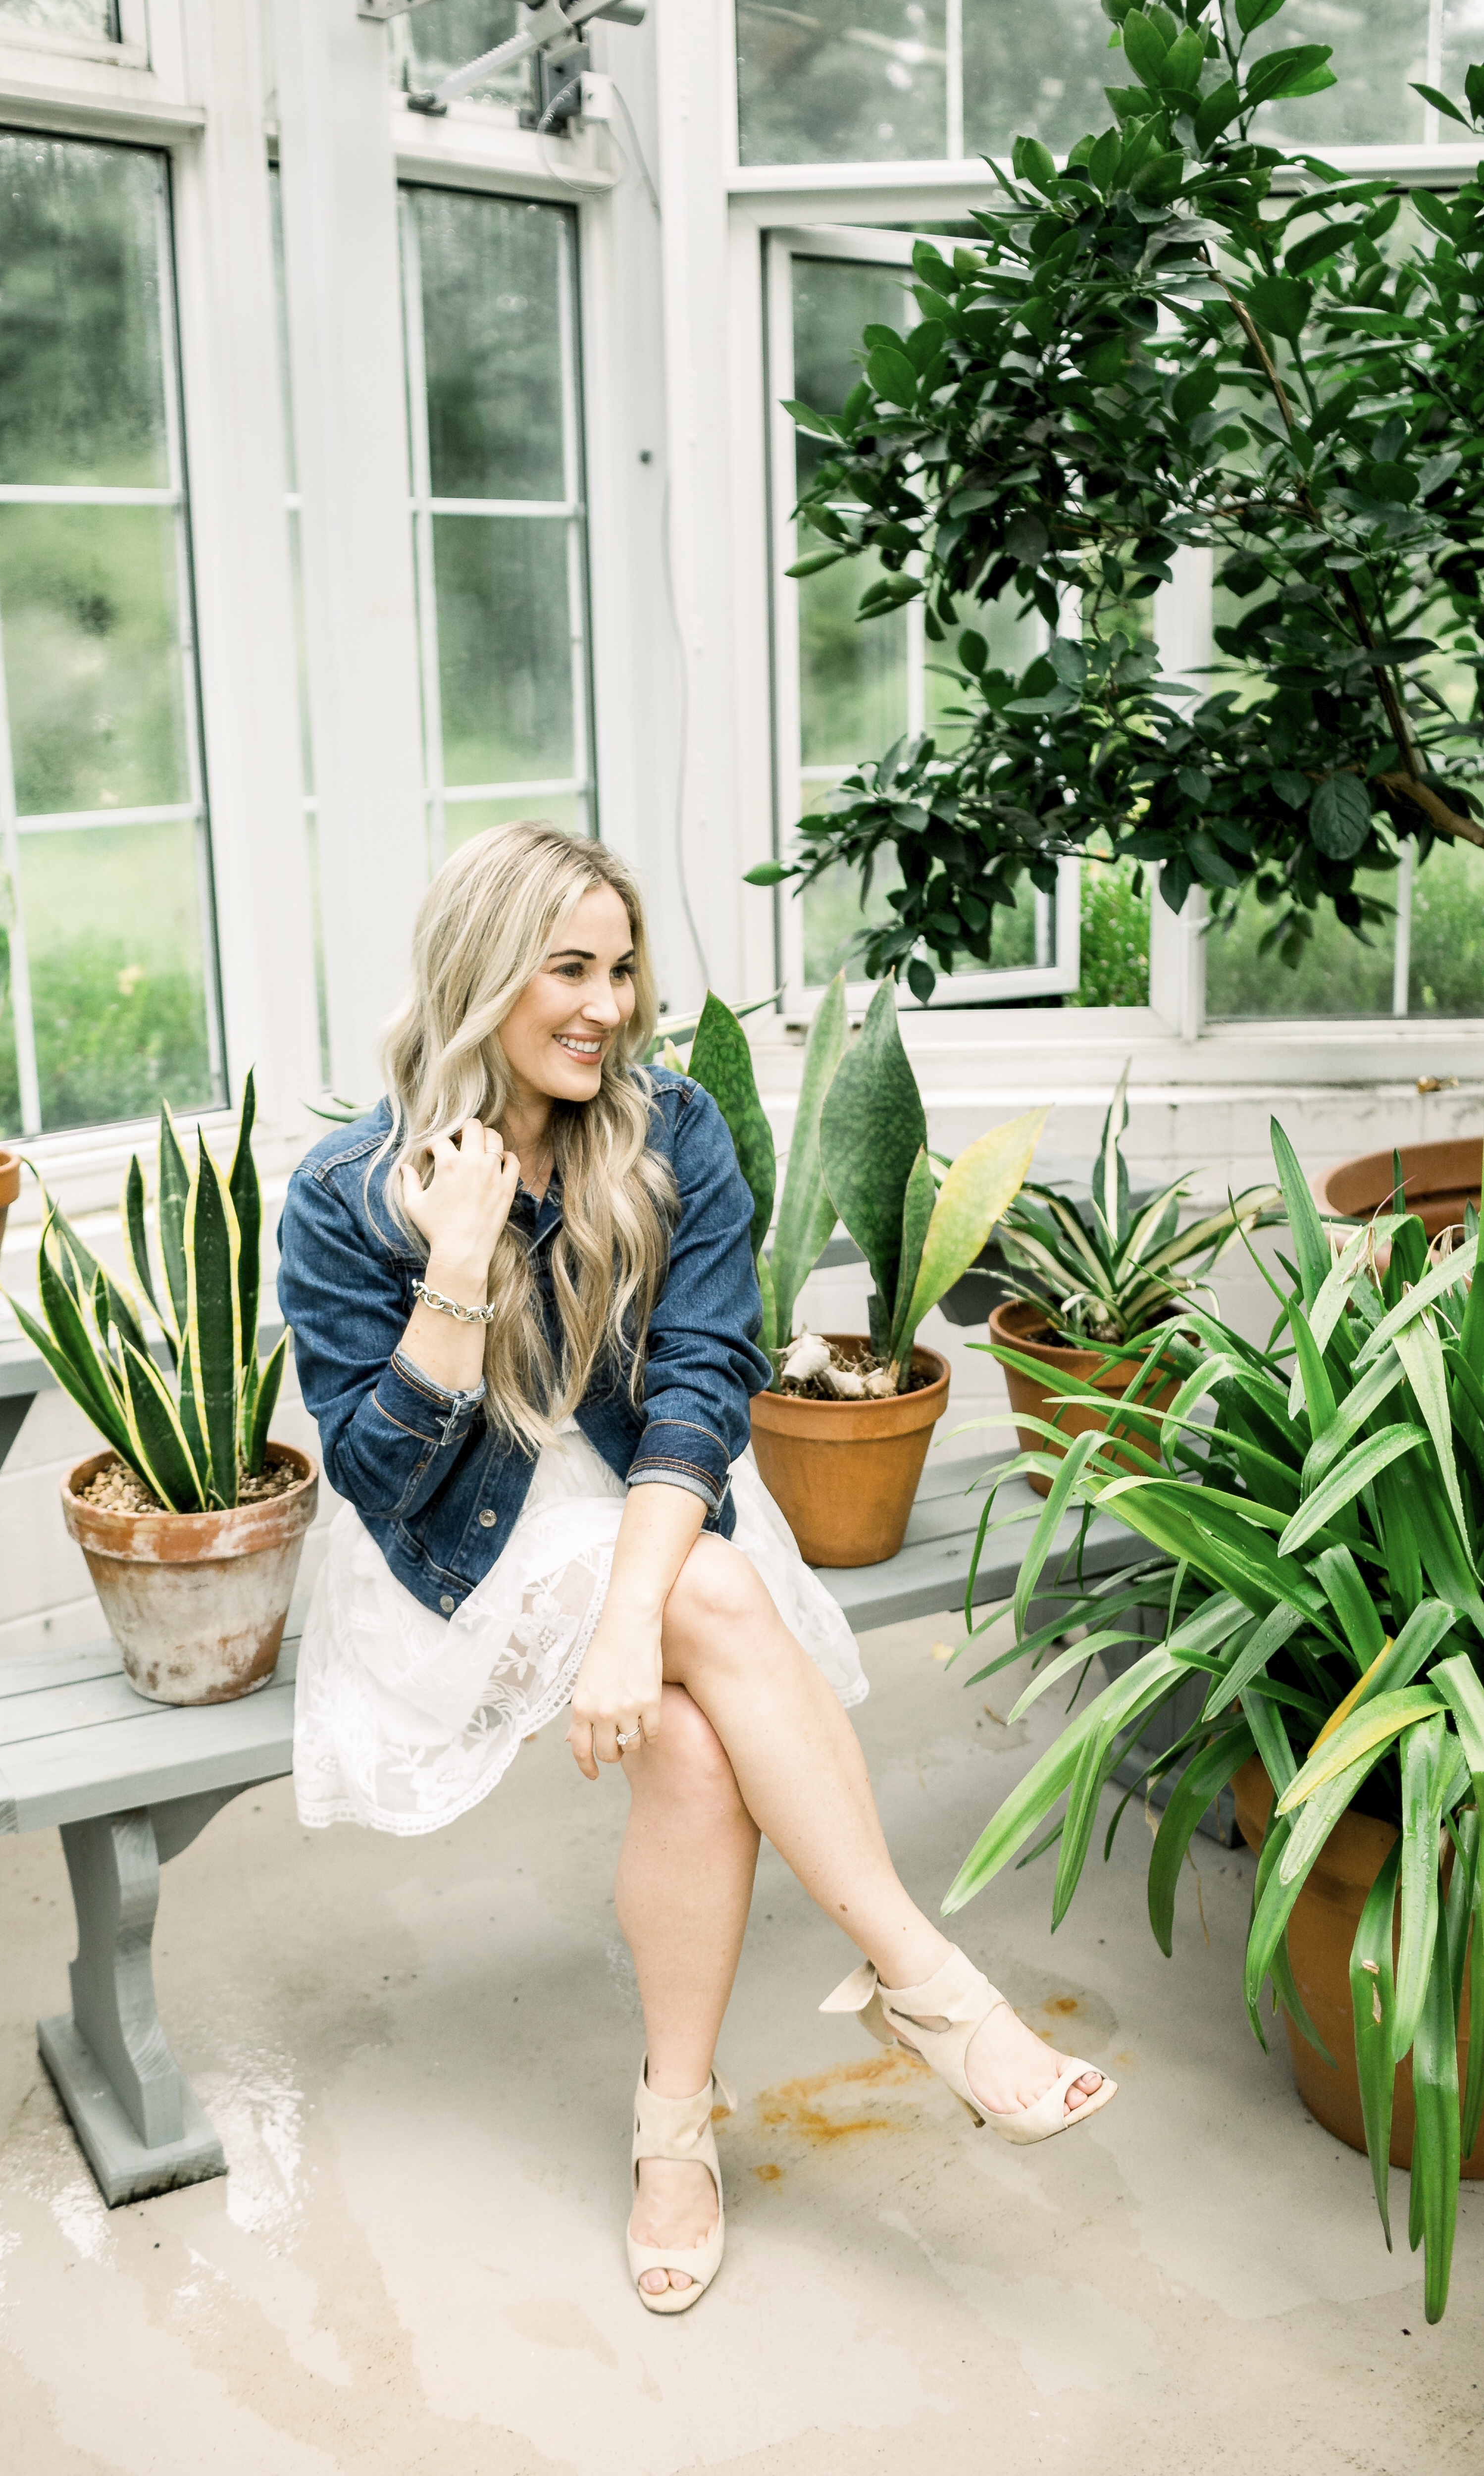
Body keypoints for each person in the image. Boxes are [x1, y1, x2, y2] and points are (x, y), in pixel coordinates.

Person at [277, 821, 1114, 2317]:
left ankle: (678, 2135)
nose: (608, 1004)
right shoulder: (347, 1189)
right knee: (713, 1605)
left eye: (623, 967)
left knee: (696, 1746)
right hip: (455, 1551)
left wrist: (623, 1626)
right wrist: (459, 1269)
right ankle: (932, 1995)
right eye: (567, 970)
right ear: (482, 978)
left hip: (645, 1498)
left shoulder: (674, 1132)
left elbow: (701, 1388)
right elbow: (380, 1475)